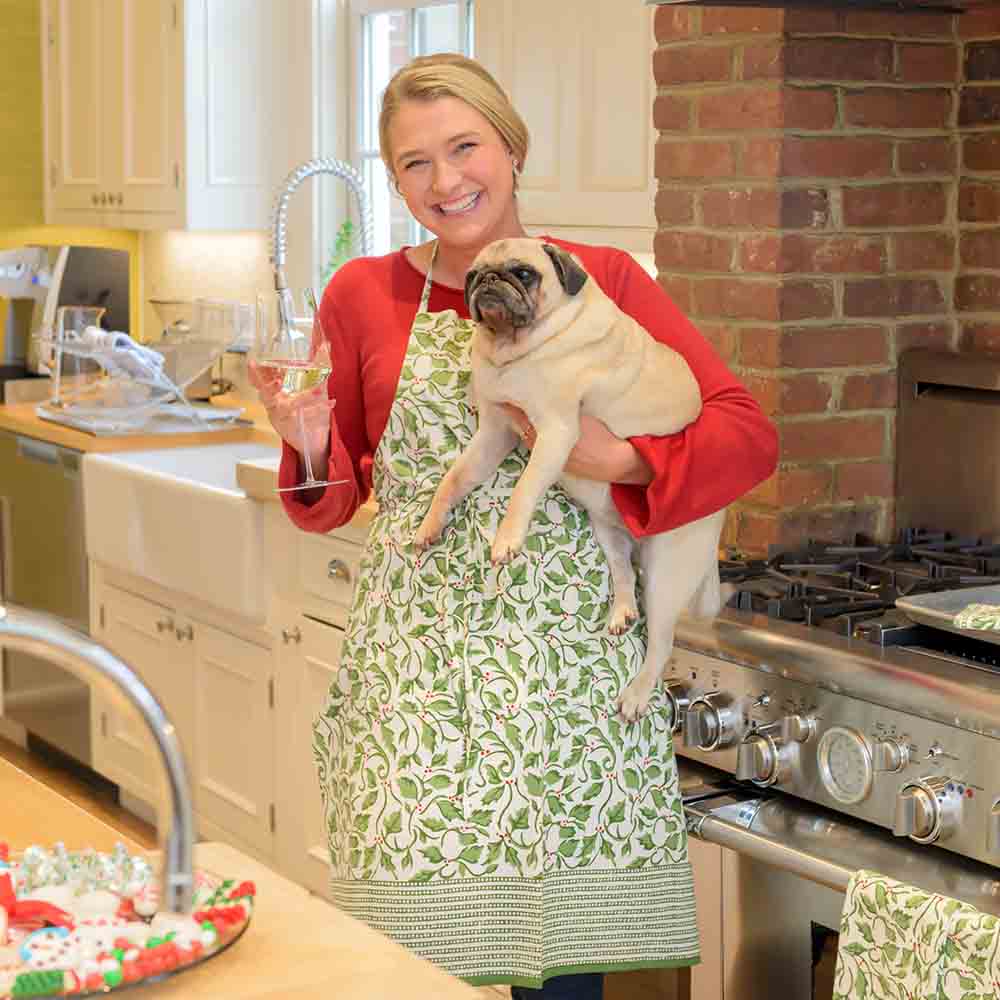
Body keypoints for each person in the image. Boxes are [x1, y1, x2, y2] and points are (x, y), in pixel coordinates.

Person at [253, 52, 778, 998]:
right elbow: (329, 502)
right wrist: (307, 443)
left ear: (513, 147)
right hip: (415, 681)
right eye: (415, 163)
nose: (447, 181)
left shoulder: (604, 278)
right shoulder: (362, 295)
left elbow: (744, 435)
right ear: (395, 180)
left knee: (561, 975)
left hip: (569, 684)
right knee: (403, 964)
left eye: (466, 147)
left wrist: (618, 460)